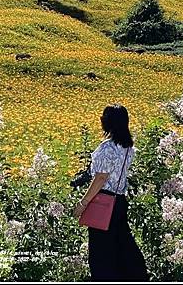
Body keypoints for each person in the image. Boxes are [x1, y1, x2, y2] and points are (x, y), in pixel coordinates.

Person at [73, 104, 149, 282]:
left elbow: (100, 178)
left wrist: (83, 204)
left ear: (108, 123)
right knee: (121, 246)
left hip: (103, 203)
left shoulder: (107, 147)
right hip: (120, 201)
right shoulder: (128, 146)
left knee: (101, 253)